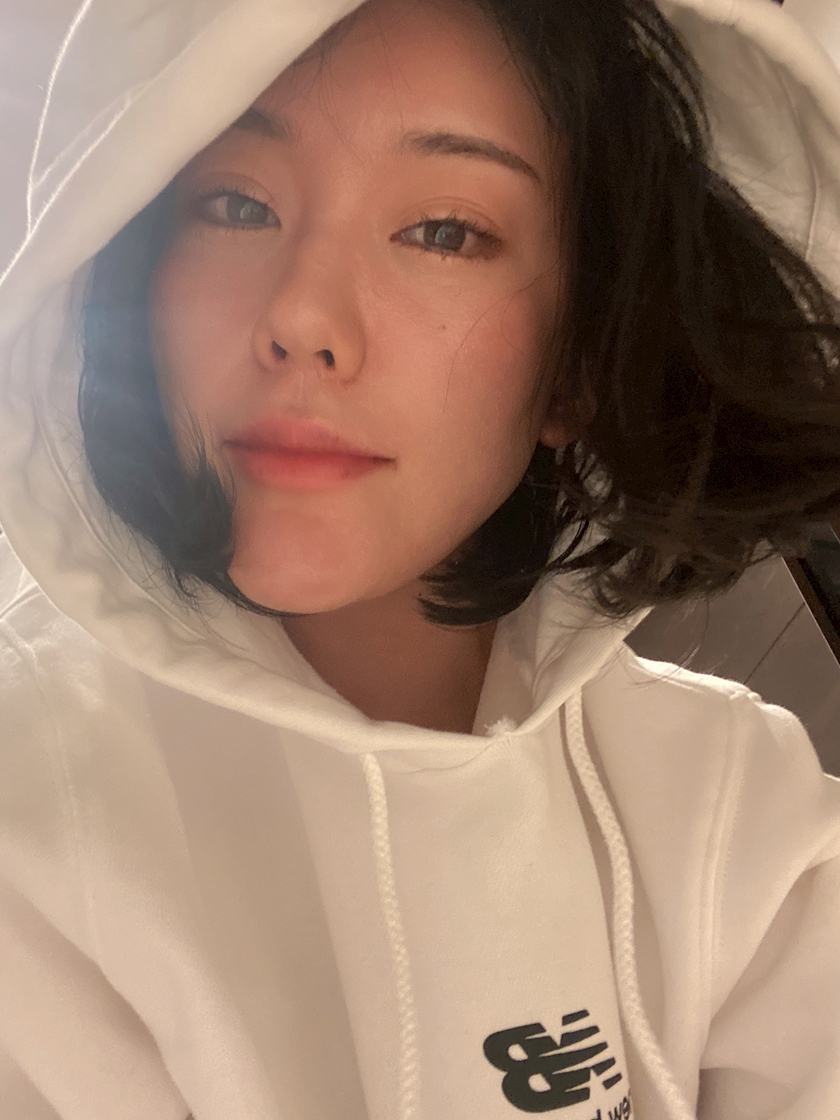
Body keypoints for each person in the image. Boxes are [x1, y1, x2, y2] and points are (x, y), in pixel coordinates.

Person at [0, 0, 838, 1116]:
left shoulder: (740, 813)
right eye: (237, 203)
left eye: (444, 231)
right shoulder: (30, 820)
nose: (303, 315)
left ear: (576, 365)